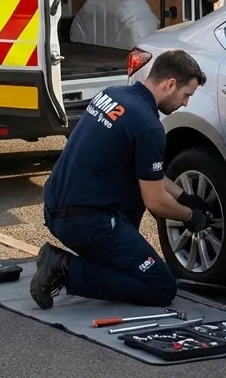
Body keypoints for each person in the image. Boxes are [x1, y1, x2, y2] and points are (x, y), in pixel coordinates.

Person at [30, 48, 212, 310]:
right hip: (87, 222)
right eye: (186, 95)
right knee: (160, 286)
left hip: (56, 208)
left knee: (126, 261)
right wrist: (189, 216)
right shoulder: (150, 127)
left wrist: (183, 196)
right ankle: (64, 268)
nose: (185, 103)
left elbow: (148, 172)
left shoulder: (112, 94)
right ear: (170, 84)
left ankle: (90, 261)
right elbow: (155, 201)